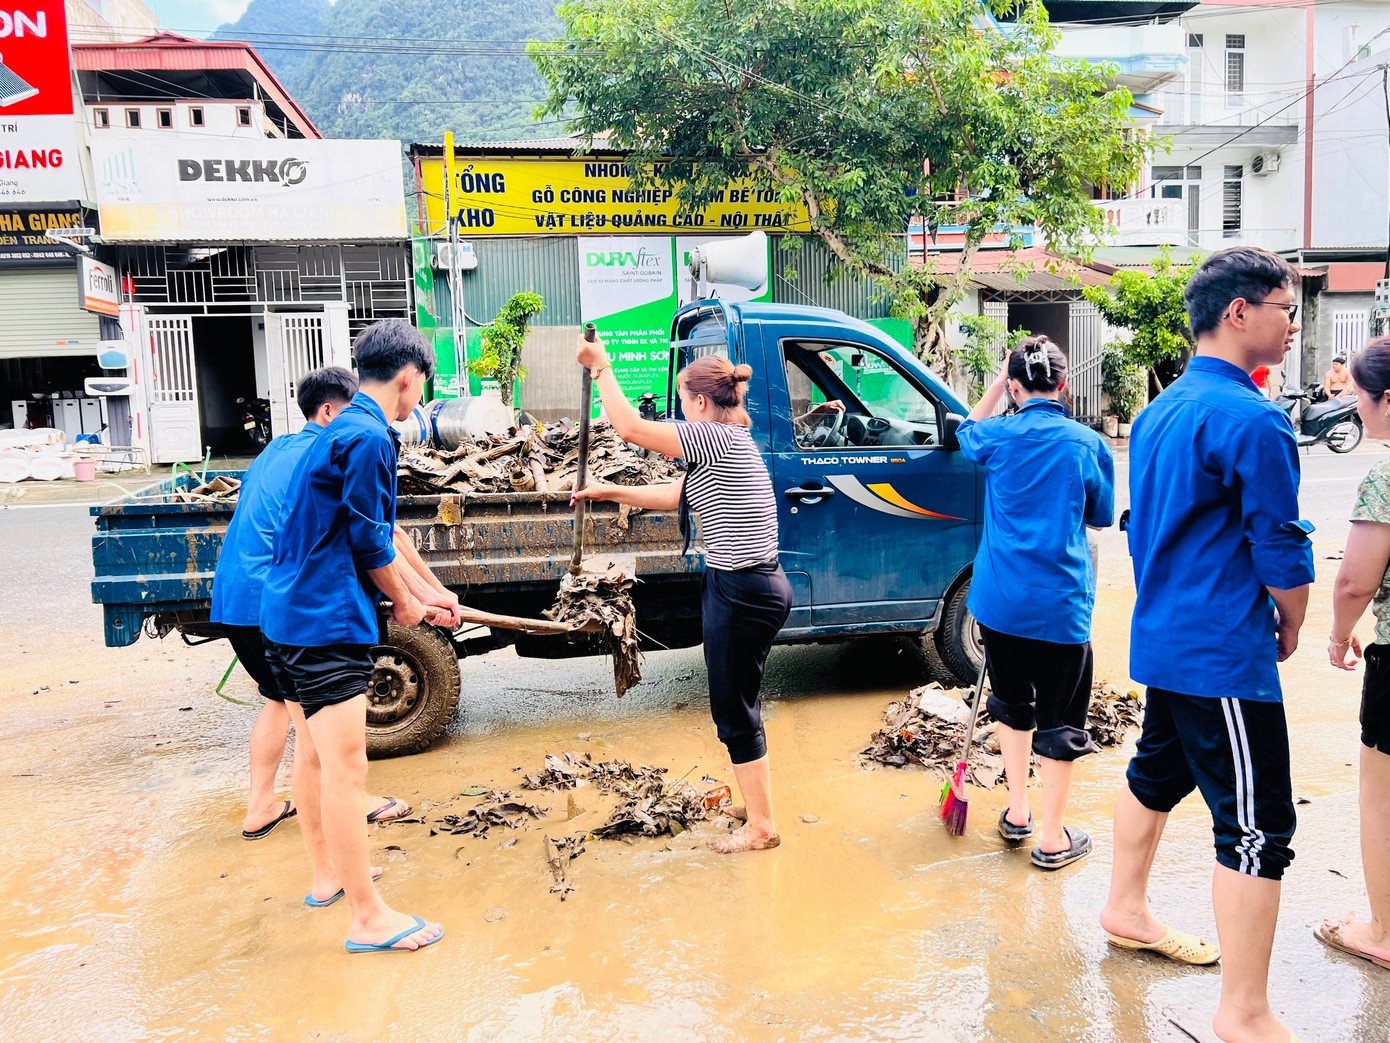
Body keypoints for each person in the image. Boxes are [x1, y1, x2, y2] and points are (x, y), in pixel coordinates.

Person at [1100, 248, 1313, 1043]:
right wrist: (1290, 619)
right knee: (1259, 825)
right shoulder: (1254, 417)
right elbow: (1280, 547)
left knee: (1157, 771)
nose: (1291, 325)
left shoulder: (1160, 411)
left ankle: (1125, 902)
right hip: (1221, 649)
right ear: (1239, 313)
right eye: (1285, 310)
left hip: (1164, 634)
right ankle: (1245, 1012)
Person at [260, 321, 443, 953]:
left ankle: (329, 876)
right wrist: (405, 601)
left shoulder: (333, 430)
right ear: (408, 378)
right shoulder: (370, 438)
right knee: (347, 770)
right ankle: (368, 919)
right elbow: (370, 541)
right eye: (422, 385)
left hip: (285, 616)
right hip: (325, 621)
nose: (419, 396)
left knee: (314, 758)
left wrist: (427, 593)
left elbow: (373, 531)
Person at [572, 334, 791, 854]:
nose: (679, 410)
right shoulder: (729, 443)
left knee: (734, 709)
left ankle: (761, 826)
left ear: (698, 403)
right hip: (740, 584)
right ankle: (753, 800)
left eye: (681, 398)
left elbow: (629, 428)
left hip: (745, 589)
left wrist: (601, 367)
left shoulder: (713, 436)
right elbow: (676, 495)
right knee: (739, 701)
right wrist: (612, 492)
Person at [211, 367, 442, 840]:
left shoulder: (277, 448)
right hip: (284, 600)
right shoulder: (335, 447)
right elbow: (382, 534)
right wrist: (427, 595)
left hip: (240, 595)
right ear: (330, 411)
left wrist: (431, 594)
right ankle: (346, 813)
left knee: (279, 702)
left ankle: (261, 806)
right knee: (320, 734)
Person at [957, 335, 1114, 870]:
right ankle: (1051, 837)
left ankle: (1018, 811)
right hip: (1059, 605)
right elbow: (1099, 517)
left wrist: (998, 384)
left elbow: (963, 430)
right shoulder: (1086, 443)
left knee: (1012, 703)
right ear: (1064, 384)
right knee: (1059, 717)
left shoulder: (996, 435)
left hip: (1000, 603)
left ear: (1016, 387)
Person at [1320, 335, 1390, 972]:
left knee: (1382, 797)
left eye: (1360, 399)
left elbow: (1355, 581)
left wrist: (1340, 635)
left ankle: (1383, 931)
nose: (1356, 410)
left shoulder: (1387, 476)